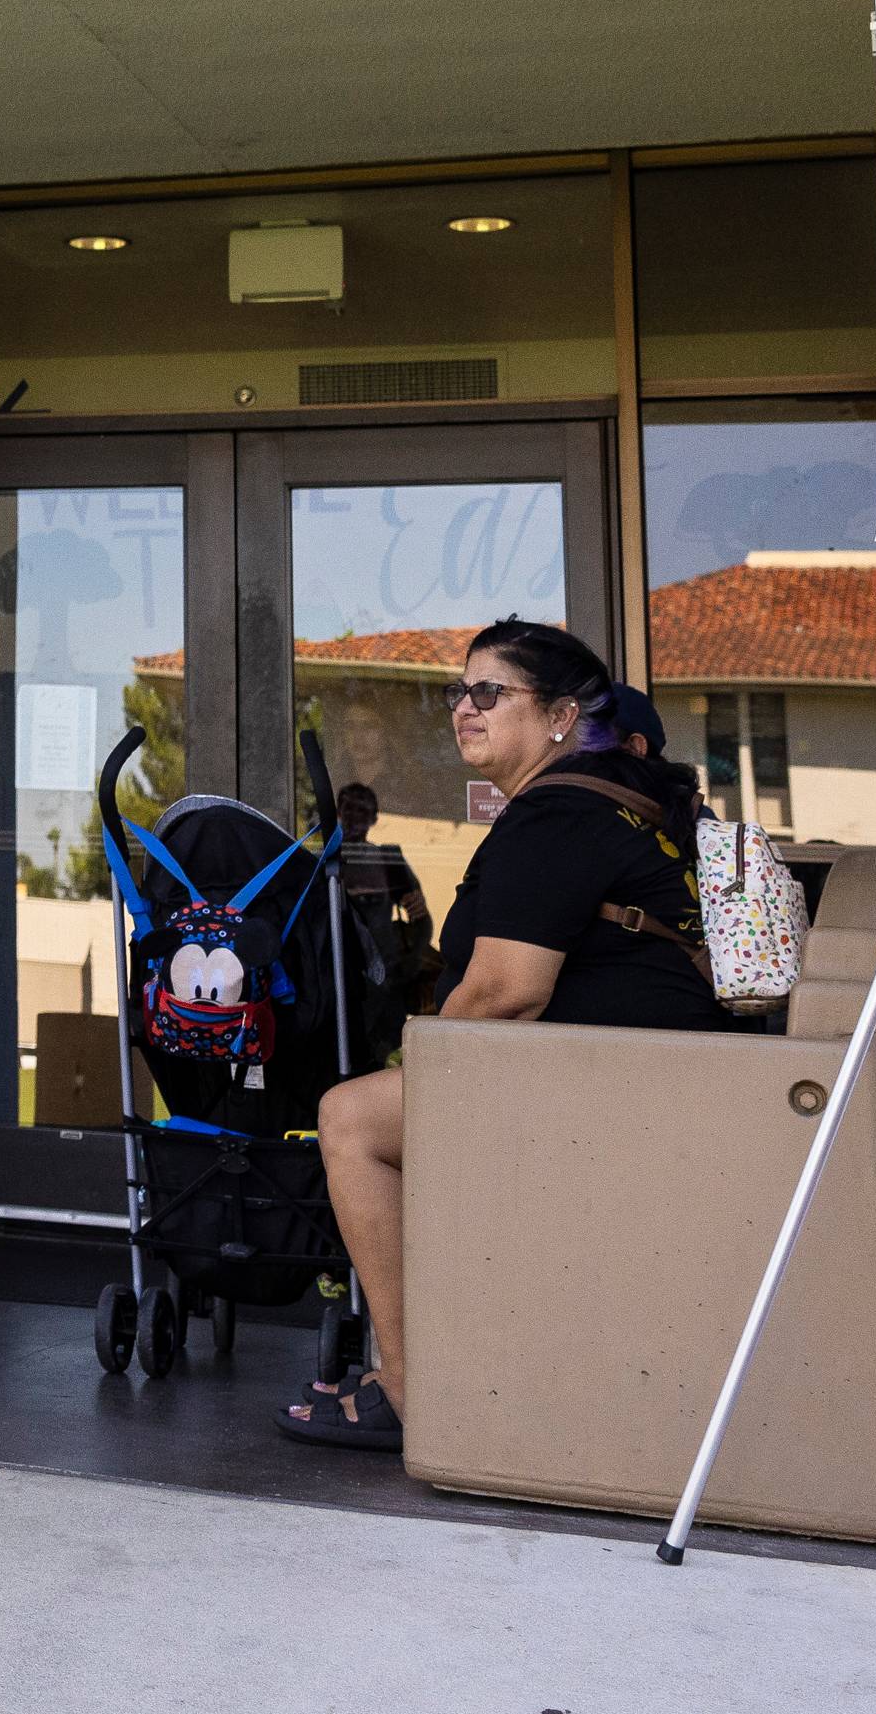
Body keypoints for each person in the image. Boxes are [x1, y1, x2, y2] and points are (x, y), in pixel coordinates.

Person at [282, 619, 722, 1456]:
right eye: (460, 691)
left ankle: (414, 1386)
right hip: (648, 1079)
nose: (465, 707)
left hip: (604, 1091)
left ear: (559, 715)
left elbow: (506, 993)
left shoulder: (555, 813)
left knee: (350, 1117)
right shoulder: (620, 804)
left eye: (491, 692)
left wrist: (426, 1063)